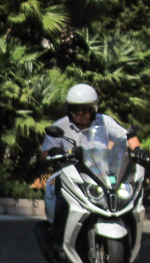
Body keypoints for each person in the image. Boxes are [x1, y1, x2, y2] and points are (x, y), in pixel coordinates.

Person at [40, 83, 141, 249]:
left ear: (94, 109)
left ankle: (129, 237)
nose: (80, 113)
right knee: (62, 199)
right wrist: (53, 151)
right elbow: (43, 155)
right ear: (69, 109)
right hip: (71, 174)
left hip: (102, 173)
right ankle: (57, 241)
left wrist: (137, 150)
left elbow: (127, 136)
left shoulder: (104, 121)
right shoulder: (60, 126)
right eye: (75, 109)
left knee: (125, 196)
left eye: (85, 109)